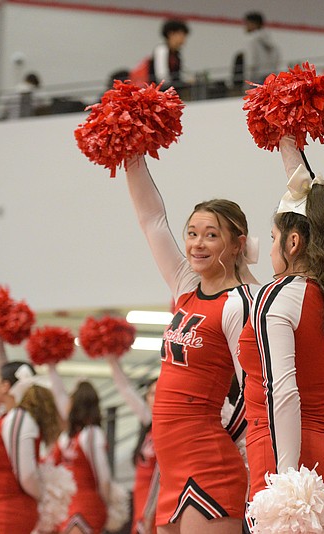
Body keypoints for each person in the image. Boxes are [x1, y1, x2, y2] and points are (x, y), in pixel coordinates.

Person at [123, 153, 258, 533]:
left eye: (211, 235)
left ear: (237, 245)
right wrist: (131, 155)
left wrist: (223, 433)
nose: (197, 244)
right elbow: (151, 220)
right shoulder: (185, 286)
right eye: (193, 233)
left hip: (209, 463)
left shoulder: (241, 304)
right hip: (171, 465)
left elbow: (255, 390)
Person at [237, 135, 324, 508]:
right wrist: (286, 139)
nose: (271, 247)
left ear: (294, 242)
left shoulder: (276, 295)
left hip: (285, 461)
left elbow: (283, 393)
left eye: (275, 237)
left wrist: (286, 485)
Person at [0, 362, 61, 533]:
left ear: (5, 386)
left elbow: (26, 475)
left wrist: (43, 497)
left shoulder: (19, 418)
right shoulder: (10, 417)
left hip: (10, 514)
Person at [52, 381, 111, 533]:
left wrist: (106, 504)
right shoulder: (69, 436)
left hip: (82, 507)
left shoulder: (89, 434)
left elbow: (103, 478)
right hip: (69, 506)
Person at [107, 357, 158, 534]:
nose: (156, 398)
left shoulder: (170, 428)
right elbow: (126, 389)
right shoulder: (148, 423)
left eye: (160, 393)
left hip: (156, 504)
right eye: (152, 394)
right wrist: (111, 358)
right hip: (140, 500)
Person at [233, 11, 281, 89]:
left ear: (254, 24)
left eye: (247, 24)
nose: (245, 26)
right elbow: (277, 57)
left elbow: (251, 61)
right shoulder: (269, 39)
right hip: (270, 76)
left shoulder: (251, 40)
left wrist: (247, 83)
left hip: (256, 77)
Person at [151, 19, 189, 89]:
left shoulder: (177, 54)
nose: (183, 39)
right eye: (181, 35)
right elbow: (162, 77)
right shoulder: (161, 50)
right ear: (171, 34)